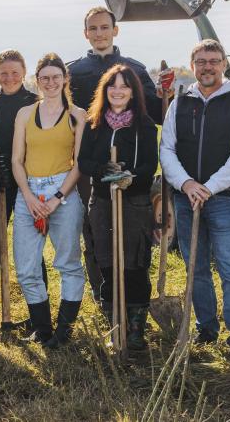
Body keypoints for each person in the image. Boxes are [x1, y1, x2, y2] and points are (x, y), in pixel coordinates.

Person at [159, 39, 230, 358]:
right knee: (195, 266)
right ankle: (207, 326)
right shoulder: (180, 103)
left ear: (224, 64)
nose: (207, 67)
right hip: (186, 199)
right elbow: (168, 149)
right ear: (193, 65)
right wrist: (186, 184)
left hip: (223, 198)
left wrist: (209, 187)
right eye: (201, 61)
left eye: (213, 60)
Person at [67, 7, 172, 300]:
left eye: (104, 27)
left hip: (132, 167)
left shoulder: (134, 69)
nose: (99, 33)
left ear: (115, 30)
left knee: (132, 233)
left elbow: (155, 113)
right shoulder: (73, 72)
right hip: (92, 167)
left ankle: (133, 298)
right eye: (93, 28)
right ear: (85, 33)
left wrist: (166, 94)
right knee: (96, 230)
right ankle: (105, 295)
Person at [77, 64, 158, 351]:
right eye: (113, 86)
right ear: (105, 90)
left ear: (133, 91)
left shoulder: (144, 125)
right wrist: (103, 170)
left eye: (125, 86)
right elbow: (83, 162)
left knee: (134, 265)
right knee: (108, 265)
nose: (118, 91)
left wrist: (129, 177)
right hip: (102, 201)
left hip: (134, 202)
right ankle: (116, 328)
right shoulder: (94, 123)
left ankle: (136, 332)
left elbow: (150, 165)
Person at [11, 54, 87, 347]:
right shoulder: (25, 114)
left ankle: (63, 331)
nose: (51, 82)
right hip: (29, 189)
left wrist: (57, 197)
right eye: (45, 78)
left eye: (56, 77)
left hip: (63, 189)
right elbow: (17, 160)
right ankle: (43, 330)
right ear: (37, 81)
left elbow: (79, 163)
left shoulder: (77, 115)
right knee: (27, 267)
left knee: (68, 262)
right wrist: (29, 197)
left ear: (65, 79)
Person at [0, 49, 39, 330]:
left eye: (15, 72)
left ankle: (39, 316)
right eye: (4, 73)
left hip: (29, 185)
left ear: (24, 72)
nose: (9, 77)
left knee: (32, 252)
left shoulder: (35, 103)